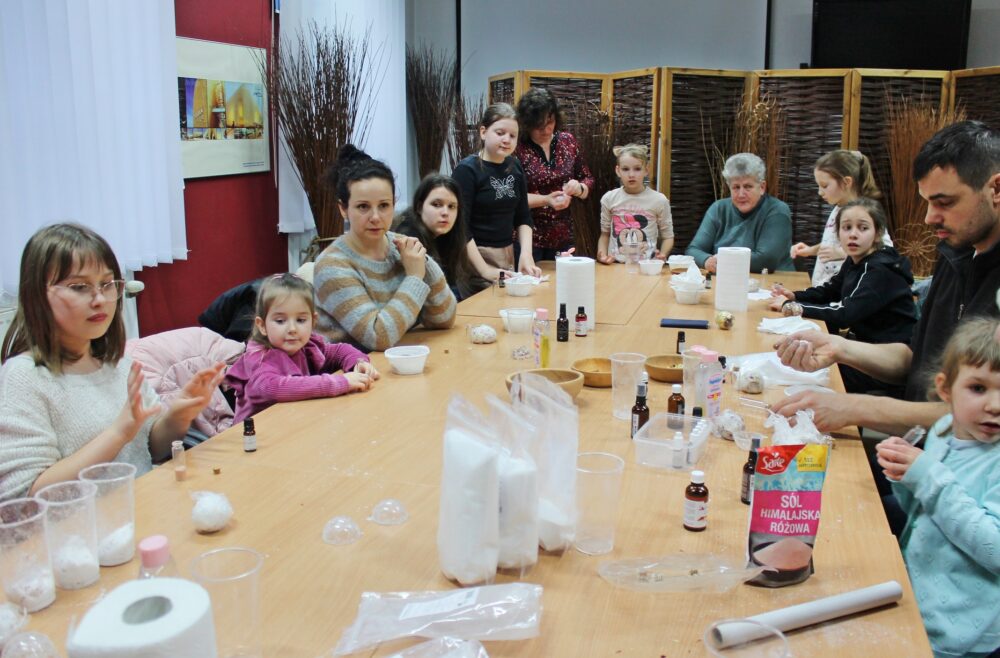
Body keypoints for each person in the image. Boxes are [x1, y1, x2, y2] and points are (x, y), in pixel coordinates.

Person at [772, 120, 1000, 435]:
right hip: (918, 448)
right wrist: (838, 348)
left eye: (944, 202)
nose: (929, 218)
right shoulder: (955, 254)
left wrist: (856, 408)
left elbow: (986, 414)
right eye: (927, 201)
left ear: (995, 189)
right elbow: (914, 362)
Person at [0, 223, 224, 501]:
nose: (100, 299)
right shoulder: (23, 378)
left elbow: (151, 449)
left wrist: (180, 414)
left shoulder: (117, 365)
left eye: (107, 284)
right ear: (37, 296)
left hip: (140, 509)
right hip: (80, 525)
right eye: (79, 287)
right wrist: (118, 432)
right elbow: (26, 498)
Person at [874, 317, 1000, 658]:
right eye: (978, 388)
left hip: (962, 631)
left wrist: (927, 476)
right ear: (946, 389)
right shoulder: (944, 429)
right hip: (919, 595)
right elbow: (922, 511)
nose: (995, 405)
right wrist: (903, 475)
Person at [314, 145, 457, 352]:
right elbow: (378, 337)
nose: (375, 217)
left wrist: (424, 263)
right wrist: (415, 277)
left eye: (383, 205)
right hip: (349, 367)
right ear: (343, 209)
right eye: (363, 206)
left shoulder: (401, 246)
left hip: (398, 356)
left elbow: (444, 319)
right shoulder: (332, 266)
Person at [770, 198, 916, 395]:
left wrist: (795, 307)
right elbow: (830, 291)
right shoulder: (856, 260)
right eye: (847, 227)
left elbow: (846, 313)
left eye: (863, 228)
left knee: (806, 377)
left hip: (887, 363)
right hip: (861, 348)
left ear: (877, 233)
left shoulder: (879, 269)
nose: (853, 234)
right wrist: (795, 296)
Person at [225, 273, 378, 423]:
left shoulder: (307, 347)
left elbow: (339, 351)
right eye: (280, 321)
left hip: (294, 423)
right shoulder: (259, 360)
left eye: (300, 320)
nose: (292, 329)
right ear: (262, 325)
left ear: (313, 321)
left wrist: (358, 362)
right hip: (257, 434)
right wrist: (339, 382)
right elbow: (274, 388)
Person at [451, 104, 540, 278]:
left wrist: (526, 254)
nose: (506, 140)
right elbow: (460, 227)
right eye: (500, 133)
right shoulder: (467, 170)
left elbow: (523, 217)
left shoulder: (515, 166)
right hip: (473, 257)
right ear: (483, 132)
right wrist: (484, 270)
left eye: (512, 135)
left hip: (507, 254)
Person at [791, 149, 894, 286]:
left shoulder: (865, 213)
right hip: (825, 289)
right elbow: (833, 243)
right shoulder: (838, 209)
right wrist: (811, 250)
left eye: (825, 186)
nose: (820, 192)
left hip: (848, 290)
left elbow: (884, 250)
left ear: (846, 182)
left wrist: (841, 253)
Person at [514, 88, 595, 261]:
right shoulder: (517, 147)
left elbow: (587, 178)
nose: (545, 129)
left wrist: (579, 188)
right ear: (527, 123)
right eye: (538, 125)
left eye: (549, 122)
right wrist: (546, 200)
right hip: (527, 238)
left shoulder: (567, 141)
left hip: (565, 236)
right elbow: (511, 197)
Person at [686, 152, 794, 273]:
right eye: (736, 187)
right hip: (726, 279)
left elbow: (766, 260)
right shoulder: (718, 209)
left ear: (762, 187)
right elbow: (693, 250)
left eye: (748, 186)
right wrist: (706, 260)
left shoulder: (777, 210)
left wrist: (724, 261)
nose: (741, 194)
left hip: (774, 281)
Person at [396, 175, 490, 300]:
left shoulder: (448, 235)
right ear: (419, 207)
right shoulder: (409, 238)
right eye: (436, 204)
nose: (445, 212)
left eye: (452, 206)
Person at [597, 144, 673, 264]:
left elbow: (668, 236)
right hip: (615, 265)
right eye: (625, 169)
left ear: (646, 170)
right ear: (618, 171)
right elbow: (605, 234)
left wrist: (662, 255)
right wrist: (602, 255)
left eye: (637, 169)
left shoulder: (659, 200)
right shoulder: (609, 198)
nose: (631, 174)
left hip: (647, 266)